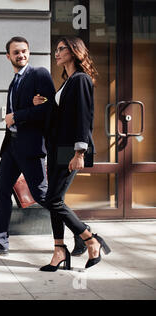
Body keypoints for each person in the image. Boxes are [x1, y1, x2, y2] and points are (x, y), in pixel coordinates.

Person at [33, 36, 111, 271]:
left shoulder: (81, 80)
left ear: (74, 51)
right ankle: (59, 250)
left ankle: (90, 239)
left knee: (53, 200)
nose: (56, 53)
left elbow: (84, 117)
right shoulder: (67, 81)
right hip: (58, 148)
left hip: (71, 149)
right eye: (55, 50)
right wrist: (45, 103)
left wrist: (79, 152)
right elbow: (63, 114)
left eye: (61, 49)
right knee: (55, 199)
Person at [0, 36, 55, 255]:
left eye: (24, 51)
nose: (21, 55)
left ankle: (82, 232)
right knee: (1, 190)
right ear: (8, 56)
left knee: (41, 195)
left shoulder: (39, 75)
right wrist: (16, 118)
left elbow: (49, 110)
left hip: (30, 147)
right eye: (16, 52)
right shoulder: (14, 80)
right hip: (12, 146)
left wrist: (15, 116)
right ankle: (0, 242)